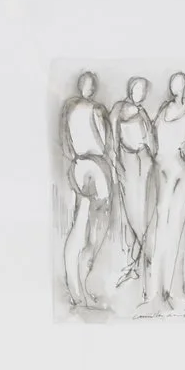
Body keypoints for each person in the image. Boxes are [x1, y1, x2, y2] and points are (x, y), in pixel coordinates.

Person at [59, 70, 115, 310]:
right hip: (91, 166)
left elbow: (68, 143)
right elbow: (104, 144)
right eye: (87, 84)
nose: (89, 88)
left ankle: (79, 287)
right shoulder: (89, 110)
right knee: (86, 230)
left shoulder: (80, 109)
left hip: (87, 166)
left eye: (91, 85)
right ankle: (77, 288)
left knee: (88, 230)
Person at [151, 69, 185, 305]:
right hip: (167, 168)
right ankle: (158, 290)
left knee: (173, 229)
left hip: (174, 169)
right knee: (164, 228)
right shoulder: (169, 110)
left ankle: (169, 289)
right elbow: (156, 139)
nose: (177, 88)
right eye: (175, 84)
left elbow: (174, 140)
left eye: (179, 84)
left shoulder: (180, 111)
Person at [114, 75, 155, 294]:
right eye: (138, 89)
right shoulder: (119, 109)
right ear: (131, 89)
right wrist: (116, 164)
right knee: (133, 213)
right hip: (127, 163)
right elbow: (112, 140)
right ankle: (144, 258)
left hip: (144, 163)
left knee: (144, 212)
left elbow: (151, 140)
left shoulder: (143, 113)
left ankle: (138, 263)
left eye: (144, 90)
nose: (141, 93)